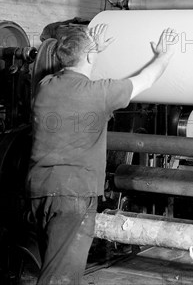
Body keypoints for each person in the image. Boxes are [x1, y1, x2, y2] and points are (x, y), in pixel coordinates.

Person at [27, 23, 177, 284]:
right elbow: (147, 79)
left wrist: (90, 50)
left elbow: (74, 70)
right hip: (74, 195)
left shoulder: (45, 86)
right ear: (87, 56)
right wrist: (164, 55)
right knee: (60, 278)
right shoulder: (99, 93)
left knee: (52, 265)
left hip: (39, 191)